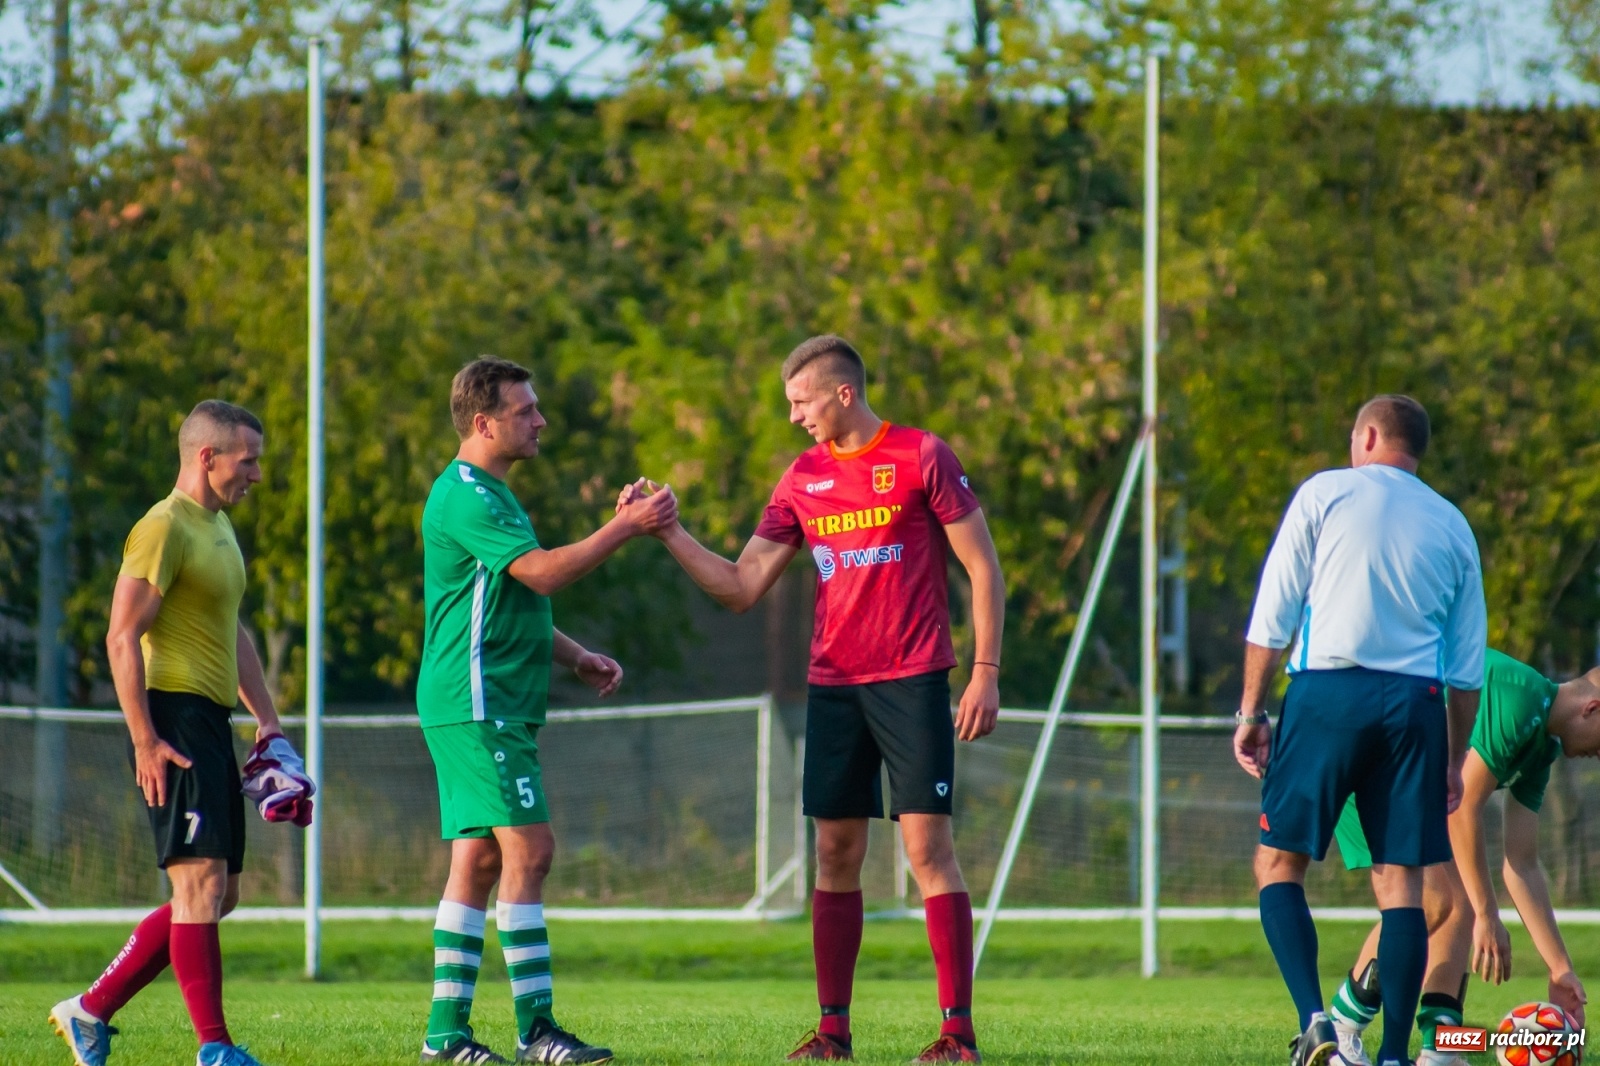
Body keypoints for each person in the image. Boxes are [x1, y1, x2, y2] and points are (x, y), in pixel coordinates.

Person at [618, 335, 1005, 1063]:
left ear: (843, 394)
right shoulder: (802, 479)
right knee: (835, 850)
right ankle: (834, 1031)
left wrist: (985, 669)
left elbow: (983, 568)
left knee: (927, 848)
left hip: (913, 678)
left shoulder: (922, 455)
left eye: (802, 401)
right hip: (834, 687)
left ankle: (957, 1032)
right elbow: (739, 585)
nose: (795, 416)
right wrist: (669, 531)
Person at [416, 357, 677, 1065]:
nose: (540, 420)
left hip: (483, 701)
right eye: (525, 410)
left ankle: (445, 1037)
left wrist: (576, 655)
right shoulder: (468, 495)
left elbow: (509, 602)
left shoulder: (491, 492)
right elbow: (543, 572)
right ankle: (537, 1031)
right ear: (483, 422)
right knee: (531, 850)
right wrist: (625, 526)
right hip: (480, 704)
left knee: (475, 863)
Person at [1234, 394, 1487, 1066]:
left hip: (1327, 692)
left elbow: (1272, 615)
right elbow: (1466, 674)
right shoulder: (1453, 524)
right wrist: (1453, 760)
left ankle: (1315, 1020)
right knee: (1401, 885)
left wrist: (1252, 712)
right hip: (1416, 705)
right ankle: (1396, 1055)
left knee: (1277, 863)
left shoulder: (1325, 493)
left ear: (1367, 435)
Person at [49, 400, 286, 1066]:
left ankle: (90, 1011)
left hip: (212, 721)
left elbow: (230, 630)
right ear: (207, 457)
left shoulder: (217, 529)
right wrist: (145, 739)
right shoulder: (162, 526)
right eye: (249, 460)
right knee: (199, 887)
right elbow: (121, 635)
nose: (257, 475)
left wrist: (267, 721)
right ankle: (215, 1050)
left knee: (218, 894)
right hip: (172, 716)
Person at [1324, 650, 1599, 1066]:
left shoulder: (1541, 746)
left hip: (1414, 785)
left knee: (1459, 905)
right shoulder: (1521, 699)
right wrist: (1489, 914)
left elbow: (1521, 864)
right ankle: (1341, 1029)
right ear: (1593, 708)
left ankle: (1441, 1051)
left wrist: (1559, 969)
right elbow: (1465, 810)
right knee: (1436, 900)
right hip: (1371, 759)